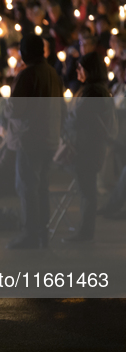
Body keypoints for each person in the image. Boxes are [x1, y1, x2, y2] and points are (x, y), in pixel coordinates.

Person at [4, 34, 64, 249]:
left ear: (24, 53)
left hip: (30, 139)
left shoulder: (28, 75)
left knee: (27, 187)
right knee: (42, 187)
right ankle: (42, 232)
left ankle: (30, 233)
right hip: (49, 137)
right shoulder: (52, 73)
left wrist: (8, 98)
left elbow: (16, 108)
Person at [61, 52, 116, 242]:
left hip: (88, 148)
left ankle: (85, 231)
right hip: (89, 146)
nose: (77, 71)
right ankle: (85, 230)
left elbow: (78, 118)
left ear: (90, 70)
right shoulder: (95, 90)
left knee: (87, 191)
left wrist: (66, 118)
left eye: (80, 67)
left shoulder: (94, 93)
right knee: (87, 189)